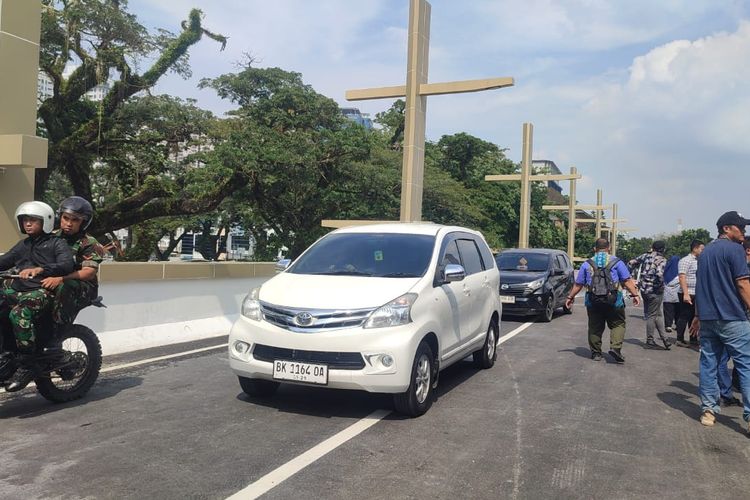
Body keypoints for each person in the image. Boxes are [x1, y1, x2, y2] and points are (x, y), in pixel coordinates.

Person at [0, 201, 75, 392]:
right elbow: (5, 260)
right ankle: (7, 352)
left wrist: (42, 269)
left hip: (42, 290)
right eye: (25, 220)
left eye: (33, 220)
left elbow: (66, 265)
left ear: (46, 221)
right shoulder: (23, 245)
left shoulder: (57, 243)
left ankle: (27, 363)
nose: (28, 224)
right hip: (19, 289)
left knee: (19, 313)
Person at [690, 211, 750, 431]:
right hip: (733, 317)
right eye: (740, 227)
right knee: (746, 365)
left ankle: (708, 410)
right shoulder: (735, 250)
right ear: (727, 228)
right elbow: (743, 283)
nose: (744, 231)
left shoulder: (704, 253)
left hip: (708, 318)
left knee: (709, 364)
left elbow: (701, 286)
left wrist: (697, 315)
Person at [565, 238, 641, 363]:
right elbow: (627, 281)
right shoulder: (617, 262)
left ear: (595, 249)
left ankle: (596, 353)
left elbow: (578, 284)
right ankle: (615, 348)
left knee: (595, 326)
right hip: (614, 300)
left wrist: (570, 297)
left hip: (593, 300)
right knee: (618, 324)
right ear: (609, 247)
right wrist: (635, 295)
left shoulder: (587, 264)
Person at [42, 196, 104, 325]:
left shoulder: (89, 243)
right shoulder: (50, 238)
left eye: (75, 220)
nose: (69, 223)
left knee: (64, 286)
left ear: (83, 222)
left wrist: (61, 278)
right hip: (53, 280)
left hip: (82, 286)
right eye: (66, 218)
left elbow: (89, 272)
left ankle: (58, 328)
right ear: (60, 217)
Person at [629, 241, 670, 349]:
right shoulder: (662, 260)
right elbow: (660, 275)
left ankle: (664, 338)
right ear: (663, 249)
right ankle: (650, 340)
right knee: (653, 315)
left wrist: (632, 276)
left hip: (644, 289)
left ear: (653, 248)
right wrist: (661, 285)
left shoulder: (645, 256)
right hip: (655, 290)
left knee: (656, 314)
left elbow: (631, 263)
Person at [676, 239, 704, 348]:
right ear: (695, 248)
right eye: (702, 249)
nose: (703, 251)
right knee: (684, 316)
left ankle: (693, 338)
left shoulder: (699, 260)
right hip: (687, 292)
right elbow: (682, 277)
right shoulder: (685, 260)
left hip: (696, 292)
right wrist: (686, 294)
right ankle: (679, 338)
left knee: (694, 317)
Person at [663, 255, 680, 332]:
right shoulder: (680, 272)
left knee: (668, 311)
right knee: (678, 311)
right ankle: (677, 324)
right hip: (678, 295)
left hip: (667, 295)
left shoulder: (666, 271)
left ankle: (668, 325)